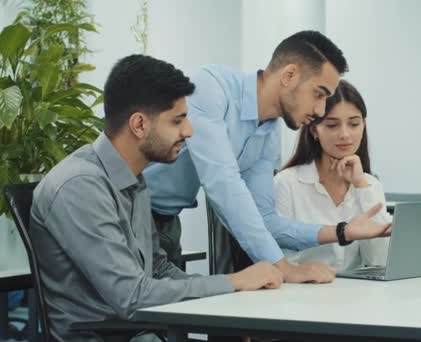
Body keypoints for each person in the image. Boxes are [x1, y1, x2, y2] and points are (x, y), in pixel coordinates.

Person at [29, 54, 283, 342]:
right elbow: (132, 296)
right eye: (178, 120)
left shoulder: (133, 179)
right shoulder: (79, 186)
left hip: (143, 334)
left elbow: (159, 269)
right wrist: (233, 281)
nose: (189, 131)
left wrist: (237, 289)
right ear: (139, 125)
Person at [143, 31, 391, 283]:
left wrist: (342, 230)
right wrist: (285, 268)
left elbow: (266, 220)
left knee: (165, 316)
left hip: (167, 222)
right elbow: (223, 183)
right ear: (289, 75)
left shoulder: (268, 132)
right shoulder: (210, 87)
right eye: (318, 94)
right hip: (129, 209)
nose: (319, 110)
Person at [274, 80, 391, 271]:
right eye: (332, 125)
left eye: (354, 124)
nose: (345, 134)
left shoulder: (370, 184)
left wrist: (362, 186)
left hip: (358, 295)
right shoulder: (286, 183)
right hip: (302, 294)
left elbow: (380, 261)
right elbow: (280, 261)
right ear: (314, 130)